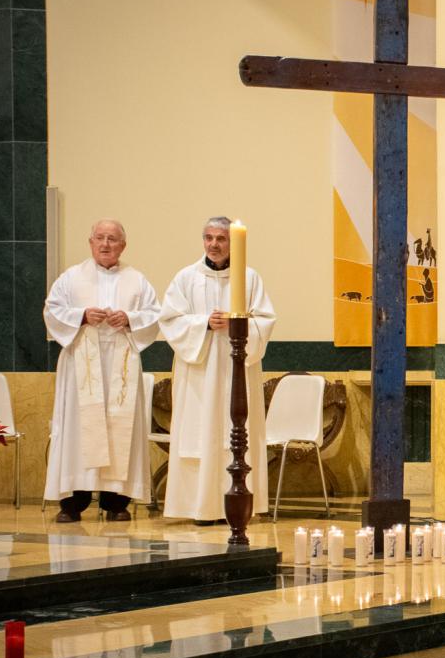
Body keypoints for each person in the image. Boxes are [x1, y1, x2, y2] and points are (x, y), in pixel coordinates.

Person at [43, 219, 161, 522]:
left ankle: (116, 502)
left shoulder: (137, 279)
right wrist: (81, 315)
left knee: (117, 428)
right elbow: (52, 310)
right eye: (99, 238)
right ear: (90, 242)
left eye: (112, 239)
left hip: (120, 362)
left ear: (123, 245)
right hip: (82, 362)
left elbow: (154, 315)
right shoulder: (71, 278)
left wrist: (130, 319)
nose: (105, 244)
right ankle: (72, 502)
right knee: (78, 430)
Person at [159, 218, 275, 524]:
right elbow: (169, 320)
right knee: (200, 432)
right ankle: (200, 507)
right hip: (199, 371)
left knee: (236, 430)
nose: (214, 244)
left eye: (221, 238)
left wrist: (238, 323)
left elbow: (265, 320)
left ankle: (238, 502)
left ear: (232, 243)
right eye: (209, 238)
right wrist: (203, 324)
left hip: (237, 370)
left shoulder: (249, 278)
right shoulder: (185, 278)